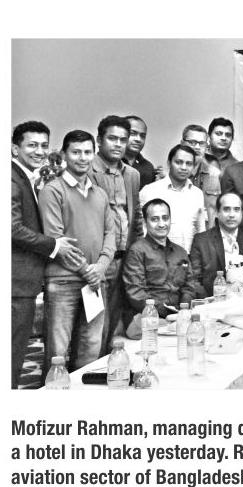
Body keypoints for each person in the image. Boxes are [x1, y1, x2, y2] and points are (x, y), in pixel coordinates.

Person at [11, 121, 85, 387]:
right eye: (32, 145)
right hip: (15, 284)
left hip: (22, 284)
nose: (40, 151)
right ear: (15, 148)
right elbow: (11, 228)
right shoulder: (11, 178)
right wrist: (54, 245)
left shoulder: (26, 177)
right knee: (11, 357)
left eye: (44, 145)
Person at [39, 130, 115, 373]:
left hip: (95, 282)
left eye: (87, 152)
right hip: (63, 282)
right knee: (58, 353)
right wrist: (87, 270)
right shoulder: (52, 190)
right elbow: (57, 239)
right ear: (64, 154)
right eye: (76, 152)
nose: (82, 157)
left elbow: (110, 235)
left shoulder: (100, 194)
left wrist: (100, 268)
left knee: (91, 348)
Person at [90, 115, 142, 350]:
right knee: (92, 328)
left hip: (124, 257)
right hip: (98, 259)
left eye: (123, 139)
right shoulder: (87, 170)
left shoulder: (132, 174)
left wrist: (137, 252)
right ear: (99, 140)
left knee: (113, 324)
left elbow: (135, 216)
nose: (118, 144)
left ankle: (105, 364)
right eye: (112, 138)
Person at [121, 199, 196, 338]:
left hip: (177, 315)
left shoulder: (181, 252)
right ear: (145, 222)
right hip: (148, 316)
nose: (161, 224)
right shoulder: (137, 251)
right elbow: (136, 292)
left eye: (165, 218)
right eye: (155, 219)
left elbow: (189, 287)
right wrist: (165, 313)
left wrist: (183, 310)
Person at [189, 192, 243, 297]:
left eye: (236, 209)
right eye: (226, 209)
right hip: (212, 302)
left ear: (242, 213)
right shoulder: (201, 241)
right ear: (217, 212)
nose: (232, 215)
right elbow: (194, 281)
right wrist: (211, 302)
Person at [138, 144, 207, 252]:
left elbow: (201, 230)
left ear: (193, 167)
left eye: (188, 164)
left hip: (188, 257)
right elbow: (140, 228)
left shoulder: (197, 194)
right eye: (178, 162)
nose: (183, 167)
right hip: (156, 256)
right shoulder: (149, 191)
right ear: (169, 163)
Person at [182, 124, 223, 228]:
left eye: (201, 143)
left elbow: (215, 212)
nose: (197, 147)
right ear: (182, 143)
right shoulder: (172, 174)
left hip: (206, 233)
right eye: (192, 142)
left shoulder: (215, 175)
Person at [122, 115, 162, 189]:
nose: (138, 139)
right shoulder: (110, 162)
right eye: (133, 133)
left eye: (142, 136)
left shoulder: (148, 167)